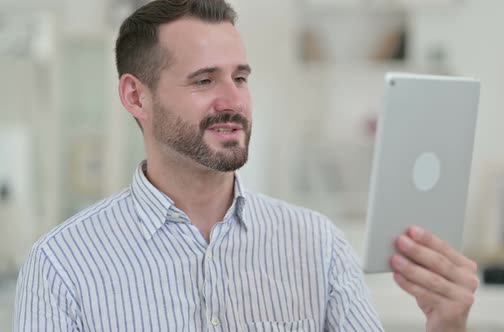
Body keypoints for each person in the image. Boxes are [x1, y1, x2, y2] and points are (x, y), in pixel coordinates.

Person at [14, 0, 479, 331]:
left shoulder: (318, 247)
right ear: (137, 96)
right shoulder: (62, 267)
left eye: (240, 77)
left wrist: (446, 324)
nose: (233, 100)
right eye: (203, 80)